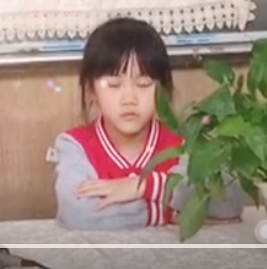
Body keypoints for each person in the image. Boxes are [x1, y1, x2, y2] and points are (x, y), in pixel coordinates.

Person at [53, 17, 244, 230]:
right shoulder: (73, 145)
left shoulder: (183, 143)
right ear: (91, 90)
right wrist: (166, 211)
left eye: (143, 84)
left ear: (163, 89)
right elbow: (78, 216)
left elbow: (229, 203)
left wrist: (146, 186)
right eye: (114, 85)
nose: (129, 99)